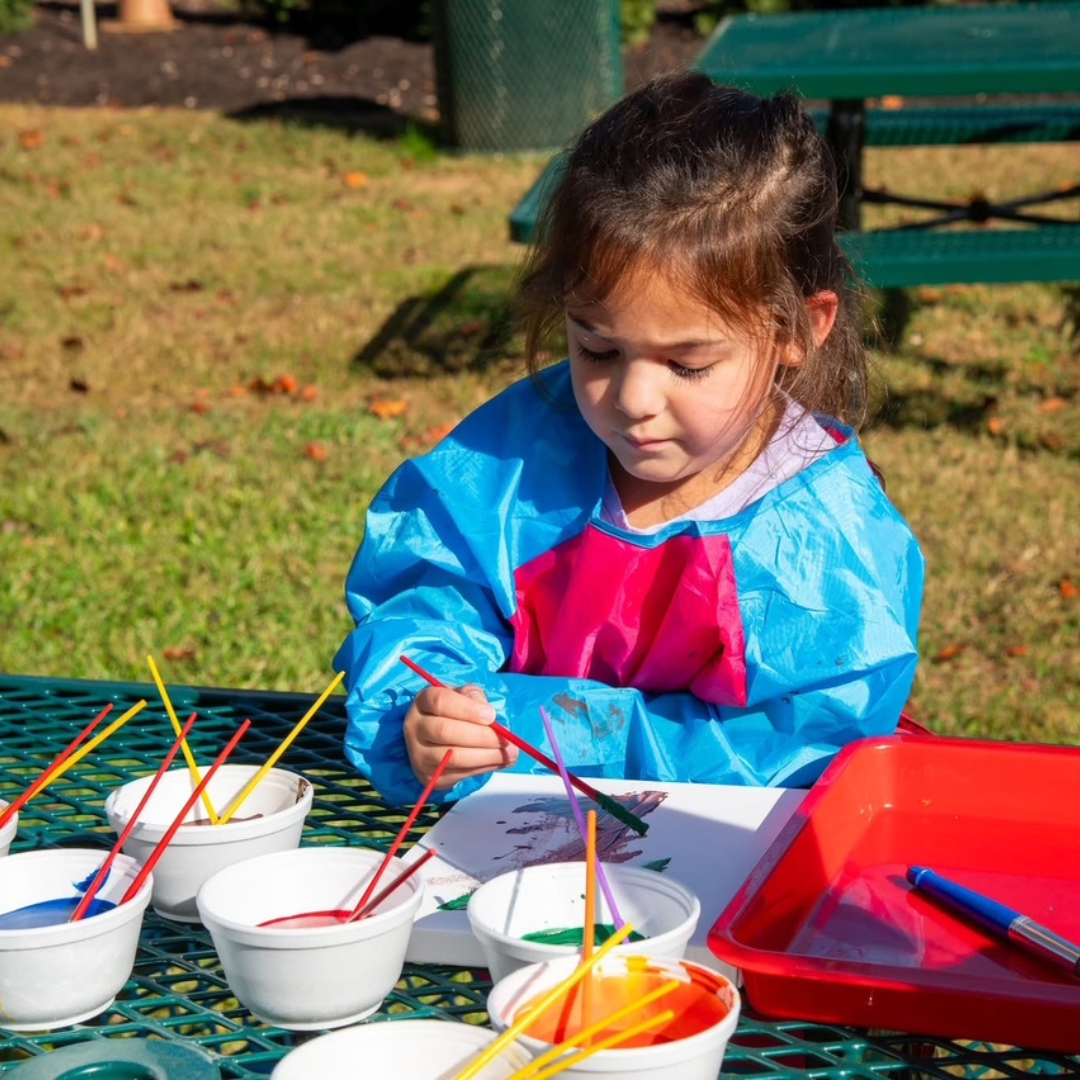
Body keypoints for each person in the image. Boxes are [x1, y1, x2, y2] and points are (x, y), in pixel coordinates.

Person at [334, 71, 924, 806]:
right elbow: (426, 595)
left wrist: (558, 733)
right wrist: (429, 715)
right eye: (598, 350)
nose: (633, 401)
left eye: (687, 364)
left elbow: (804, 748)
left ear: (799, 330)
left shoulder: (822, 539)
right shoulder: (519, 455)